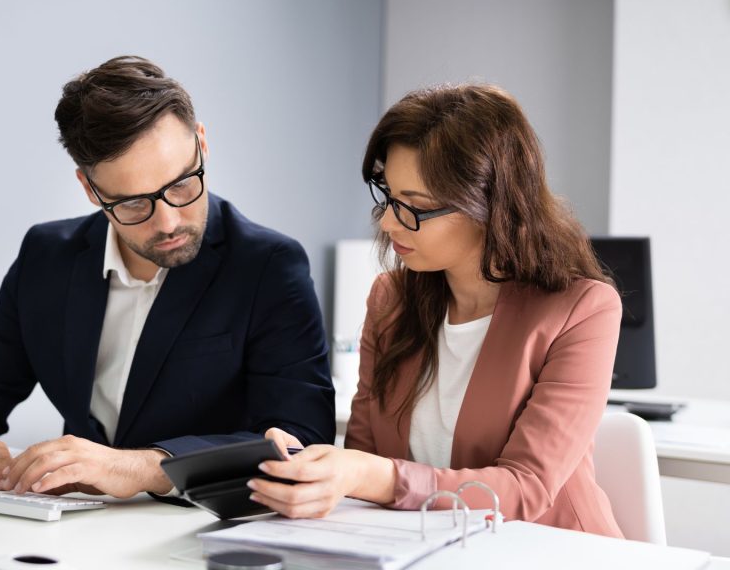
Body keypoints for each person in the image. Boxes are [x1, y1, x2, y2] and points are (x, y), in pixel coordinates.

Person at [253, 83, 624, 538]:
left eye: (417, 207)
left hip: (553, 552)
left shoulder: (583, 310)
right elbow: (364, 459)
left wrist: (373, 476)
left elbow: (526, 488)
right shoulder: (390, 300)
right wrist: (313, 470)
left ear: (491, 206)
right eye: (389, 196)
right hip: (425, 552)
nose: (389, 222)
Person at [0, 56, 334, 500]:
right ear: (89, 189)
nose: (170, 221)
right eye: (134, 204)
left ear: (202, 144)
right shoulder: (47, 256)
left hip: (197, 532)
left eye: (182, 184)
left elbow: (302, 438)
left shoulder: (268, 266)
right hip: (71, 529)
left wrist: (140, 468)